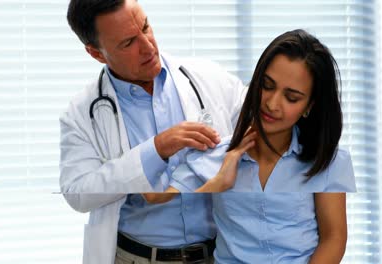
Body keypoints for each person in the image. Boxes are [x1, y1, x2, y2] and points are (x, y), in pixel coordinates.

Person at [145, 29, 356, 263]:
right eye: (267, 85)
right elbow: (155, 199)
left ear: (309, 106)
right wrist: (215, 183)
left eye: (292, 97)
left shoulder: (327, 161)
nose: (272, 104)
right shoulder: (215, 154)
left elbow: (334, 238)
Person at [59, 0, 245, 263]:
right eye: (128, 43)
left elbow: (262, 128)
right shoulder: (81, 114)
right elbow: (77, 192)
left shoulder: (209, 77)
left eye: (145, 27)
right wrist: (155, 149)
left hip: (219, 254)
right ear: (97, 53)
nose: (148, 47)